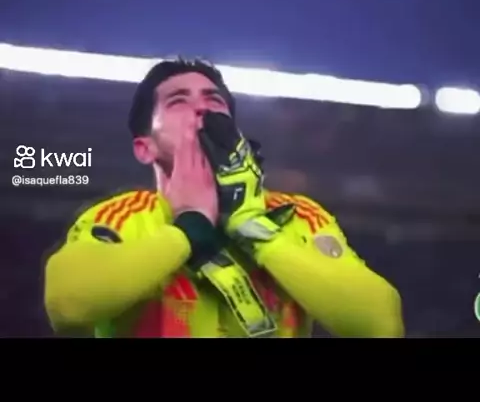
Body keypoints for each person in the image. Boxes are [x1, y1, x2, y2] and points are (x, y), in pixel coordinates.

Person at [44, 58, 404, 338]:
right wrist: (187, 229)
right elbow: (68, 304)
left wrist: (256, 229)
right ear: (145, 148)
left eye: (213, 99)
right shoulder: (121, 216)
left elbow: (381, 326)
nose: (202, 108)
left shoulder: (295, 215)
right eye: (178, 101)